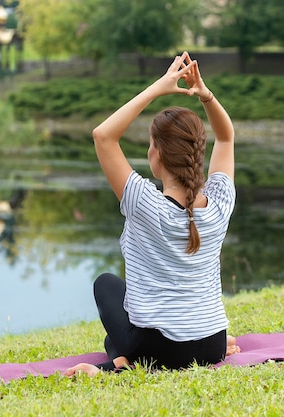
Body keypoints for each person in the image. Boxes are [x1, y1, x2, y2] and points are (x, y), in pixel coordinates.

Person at [65, 52, 239, 377]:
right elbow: (227, 137)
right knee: (118, 331)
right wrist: (207, 96)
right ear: (197, 154)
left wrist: (158, 88)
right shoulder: (219, 202)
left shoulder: (145, 204)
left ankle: (116, 365)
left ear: (156, 153)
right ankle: (120, 358)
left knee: (106, 285)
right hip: (214, 342)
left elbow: (103, 136)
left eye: (149, 144)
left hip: (164, 350)